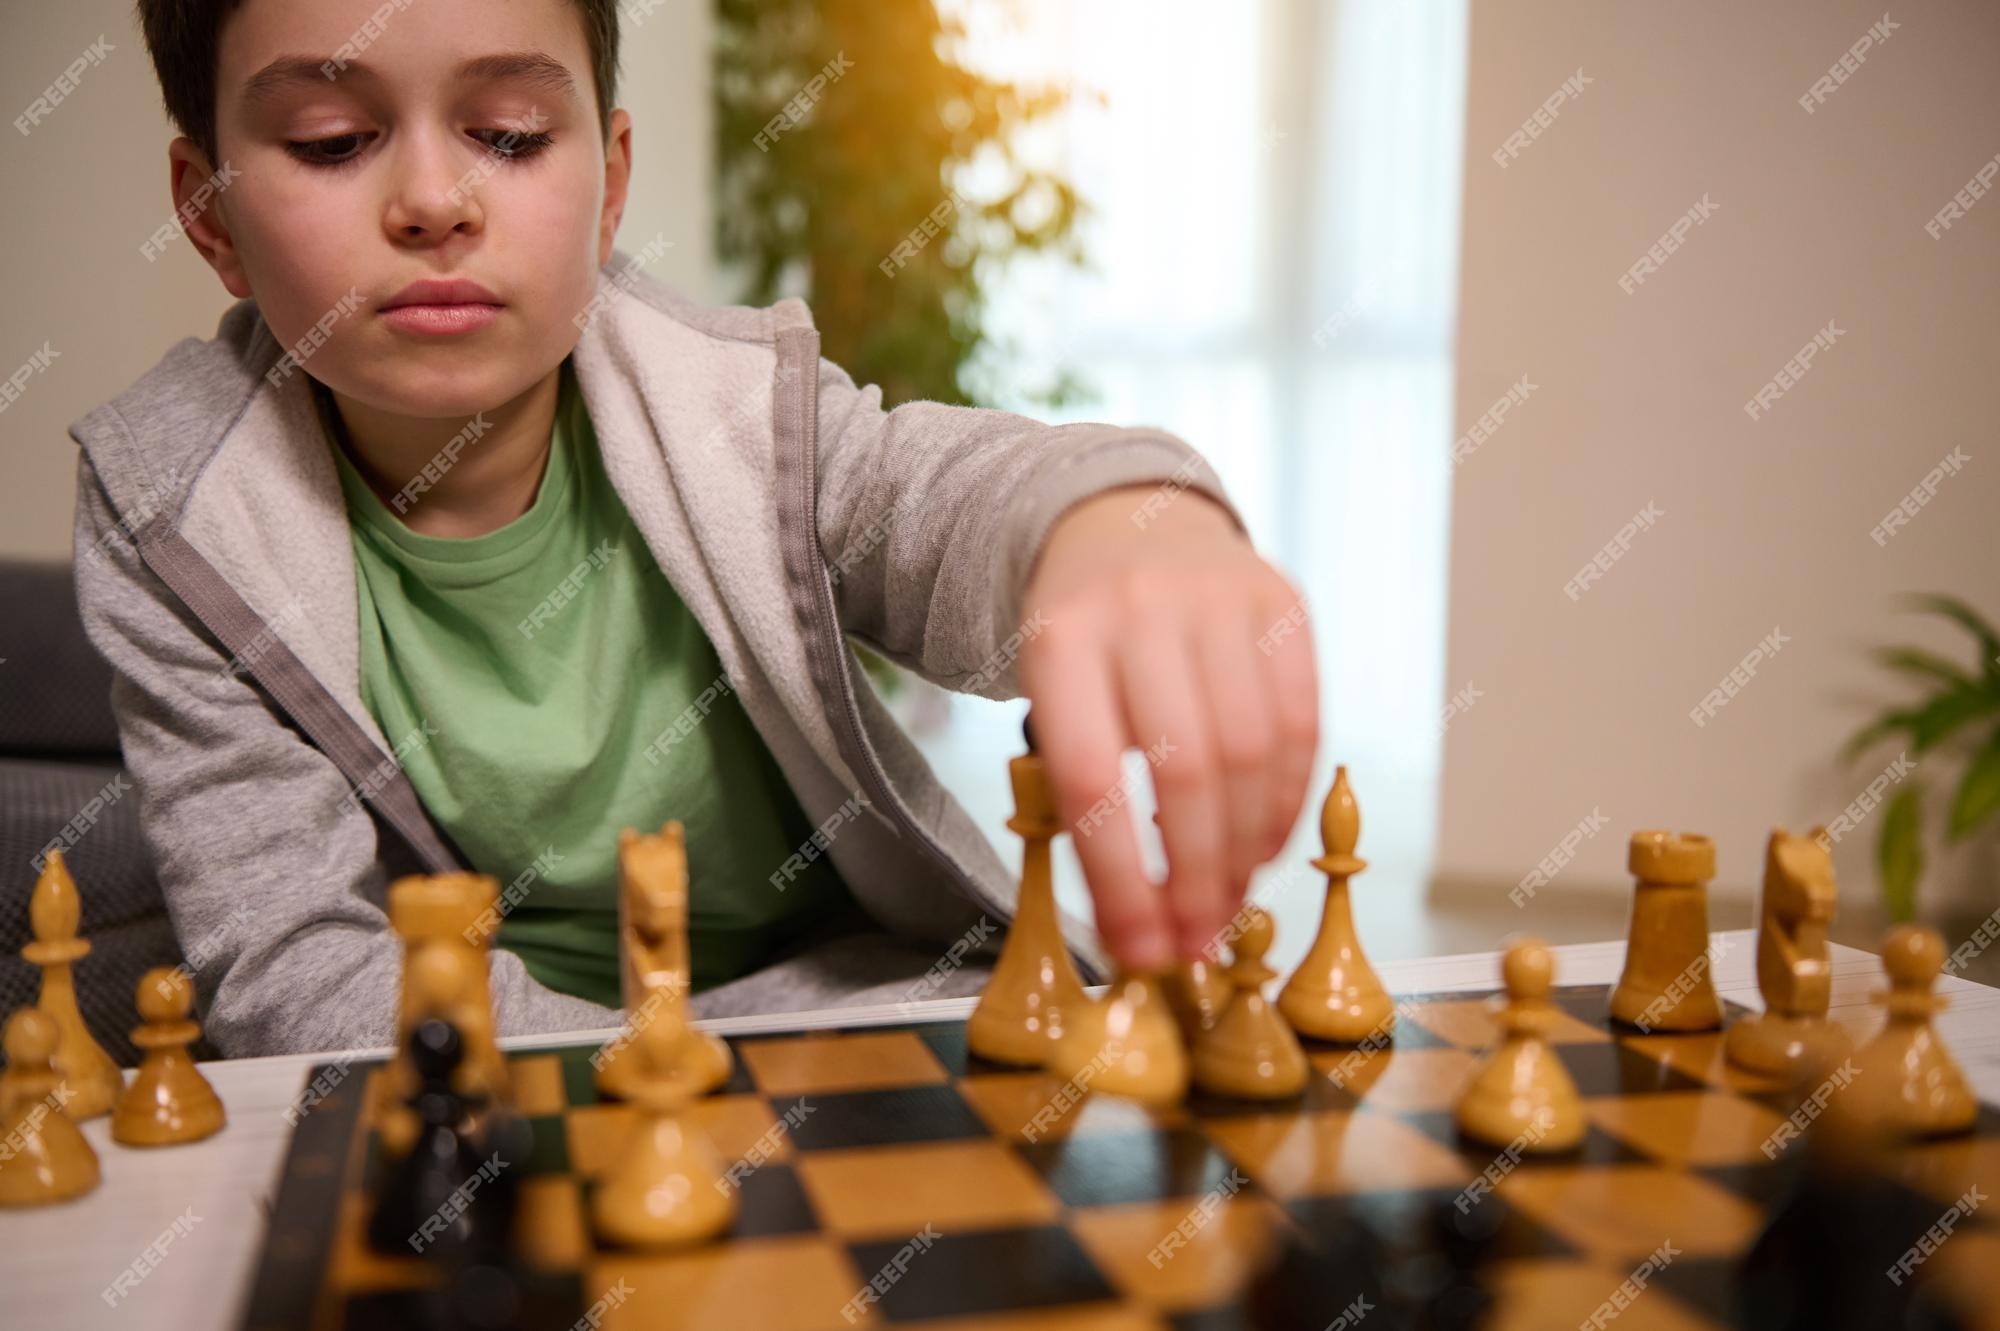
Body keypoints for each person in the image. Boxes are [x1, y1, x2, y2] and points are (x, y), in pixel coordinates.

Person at [68, 0, 1321, 1057]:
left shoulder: (733, 407)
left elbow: (931, 499)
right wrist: (653, 1088)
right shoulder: (169, 518)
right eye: (332, 138)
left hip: (846, 1011)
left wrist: (1107, 517)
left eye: (506, 133)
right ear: (211, 214)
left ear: (610, 186)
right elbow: (299, 971)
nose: (435, 201)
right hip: (491, 1077)